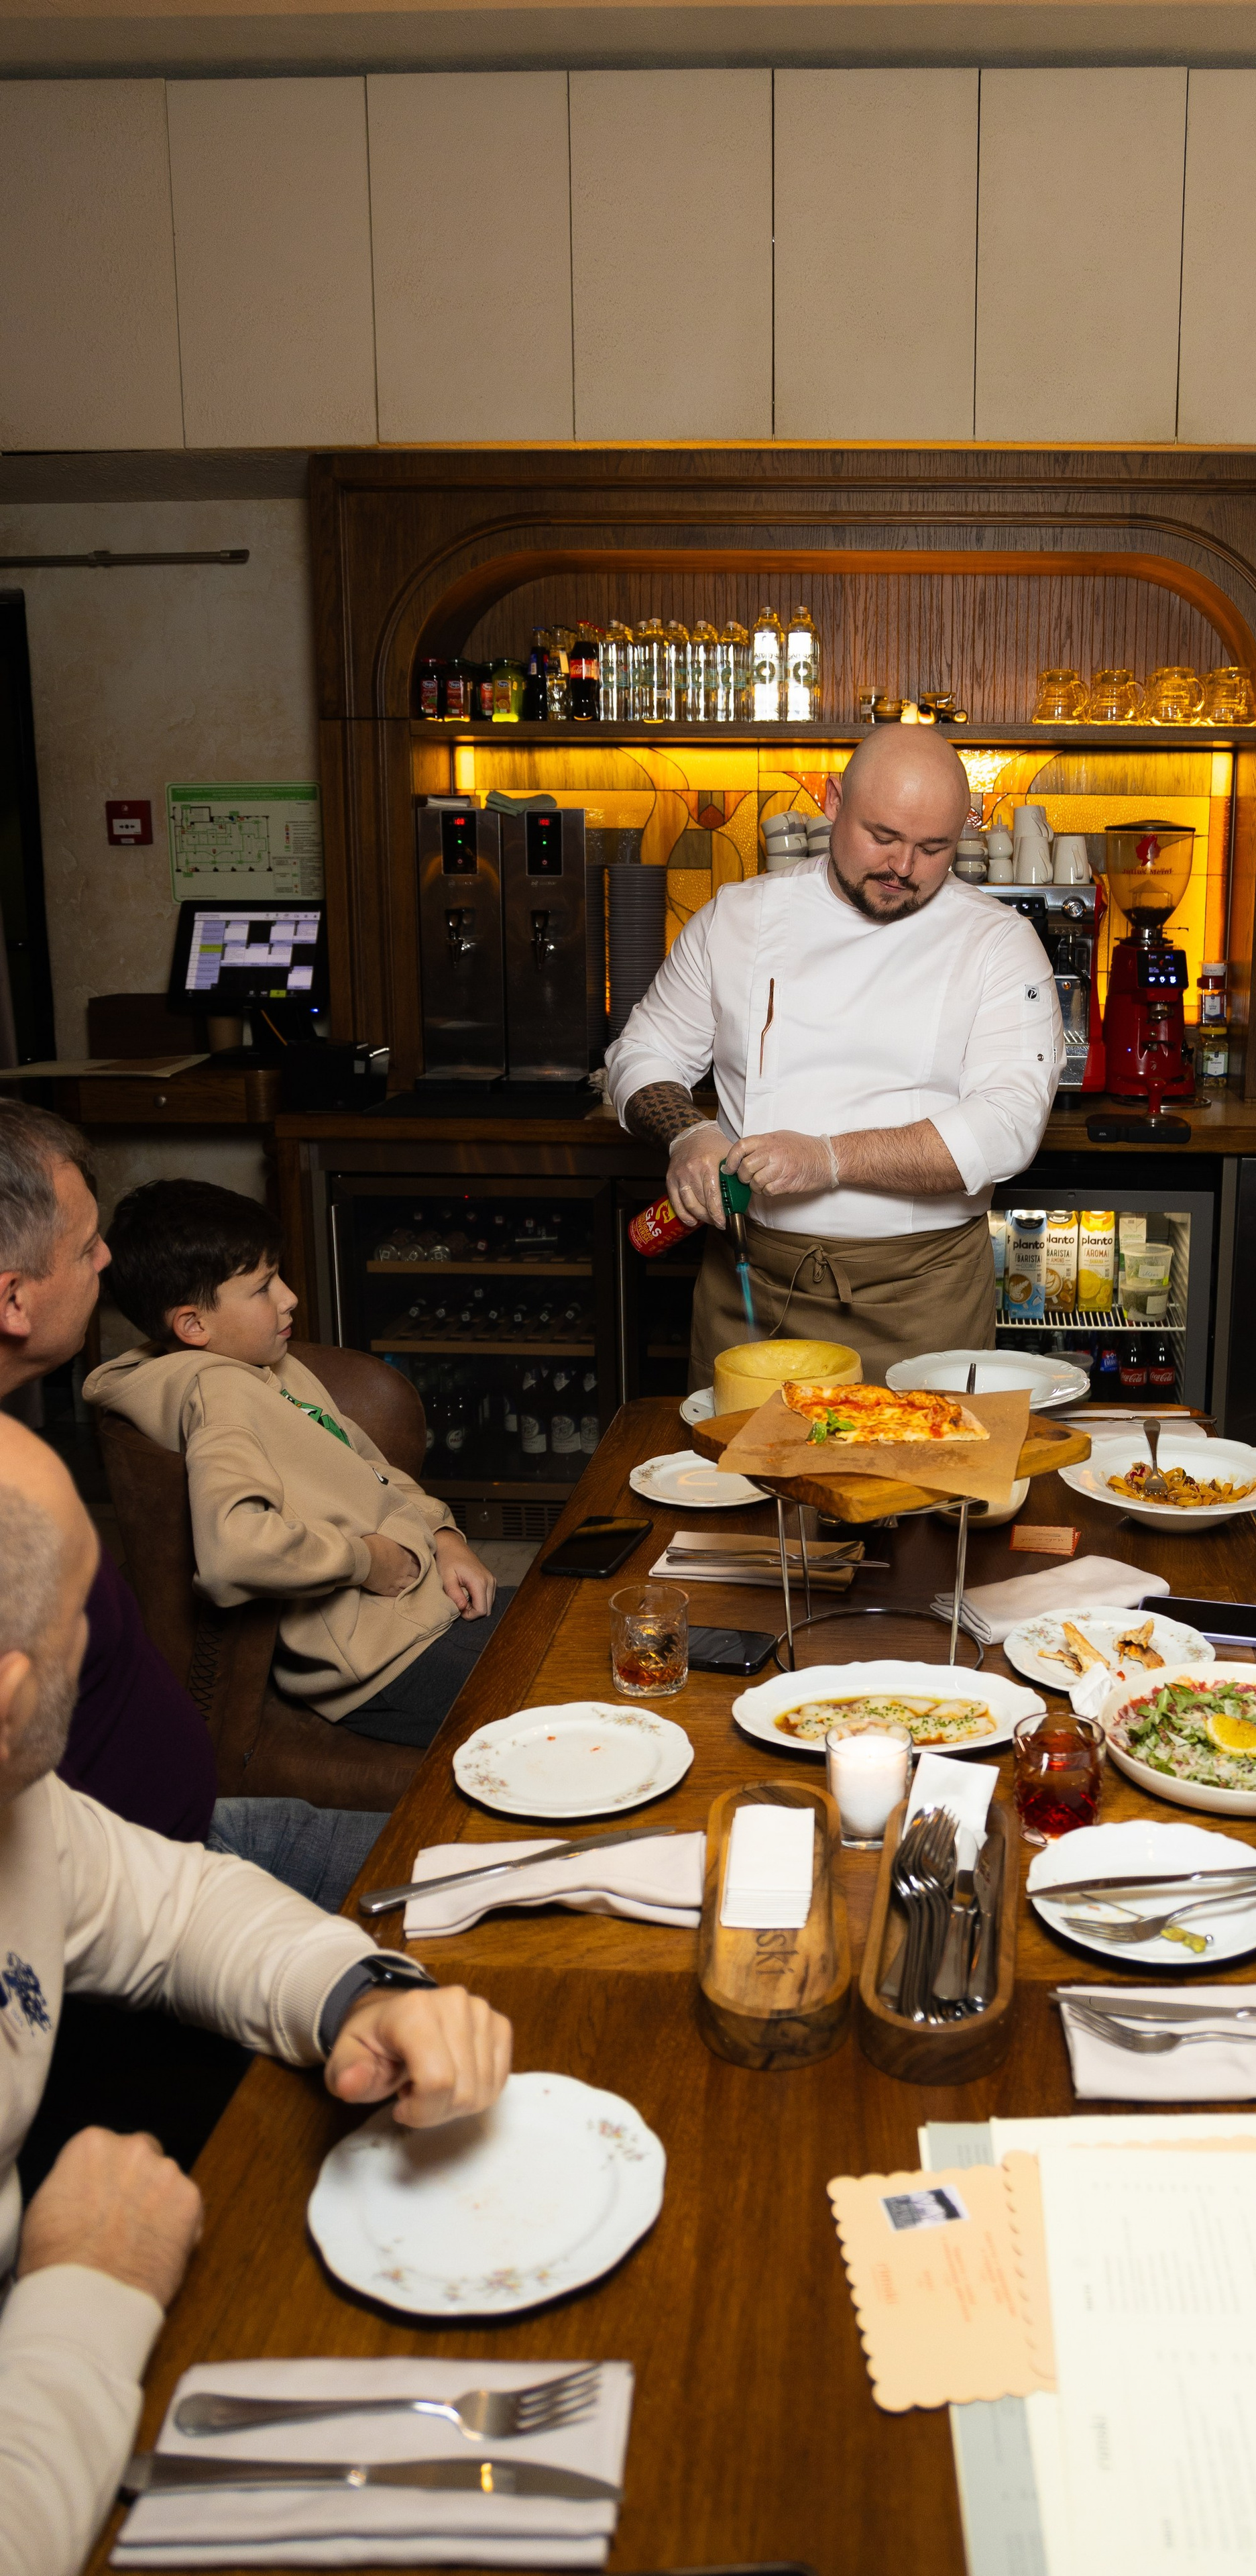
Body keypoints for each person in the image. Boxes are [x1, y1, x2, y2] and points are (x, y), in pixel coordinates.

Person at [0, 1422, 512, 2576]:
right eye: (88, 1611)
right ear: (14, 1690)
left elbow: (177, 1906)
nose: (108, 1642)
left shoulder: (20, 1803)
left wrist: (361, 1993)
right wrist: (88, 2283)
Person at [605, 724, 1064, 1386]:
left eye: (933, 848)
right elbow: (641, 1052)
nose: (902, 868)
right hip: (751, 1284)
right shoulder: (737, 918)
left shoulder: (998, 943)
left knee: (914, 1486)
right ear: (830, 800)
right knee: (740, 1478)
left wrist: (828, 1157)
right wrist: (688, 1137)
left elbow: (1006, 1129)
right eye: (881, 837)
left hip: (919, 1300)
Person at [0, 1101, 380, 1899]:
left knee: (477, 1863)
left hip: (185, 1843)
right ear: (13, 1300)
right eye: (84, 1247)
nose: (108, 1260)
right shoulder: (19, 1494)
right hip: (137, 1886)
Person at [85, 1178, 502, 1752]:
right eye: (261, 1288)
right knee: (600, 1692)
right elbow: (234, 1550)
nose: (288, 1298)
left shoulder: (268, 1367)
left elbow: (367, 1463)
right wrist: (364, 1560)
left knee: (608, 1630)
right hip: (388, 1661)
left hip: (427, 1606)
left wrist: (442, 1533)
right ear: (193, 1326)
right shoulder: (220, 1398)